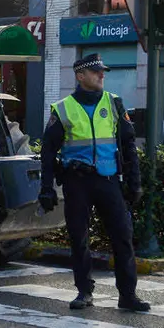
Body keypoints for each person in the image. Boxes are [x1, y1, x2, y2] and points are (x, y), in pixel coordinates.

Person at [39, 53, 149, 312]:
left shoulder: (114, 103)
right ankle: (84, 292)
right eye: (96, 72)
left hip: (108, 181)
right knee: (79, 238)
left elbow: (128, 145)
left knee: (122, 237)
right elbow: (48, 152)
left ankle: (128, 295)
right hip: (77, 183)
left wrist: (134, 182)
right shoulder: (63, 108)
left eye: (102, 72)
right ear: (80, 76)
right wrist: (46, 187)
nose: (102, 75)